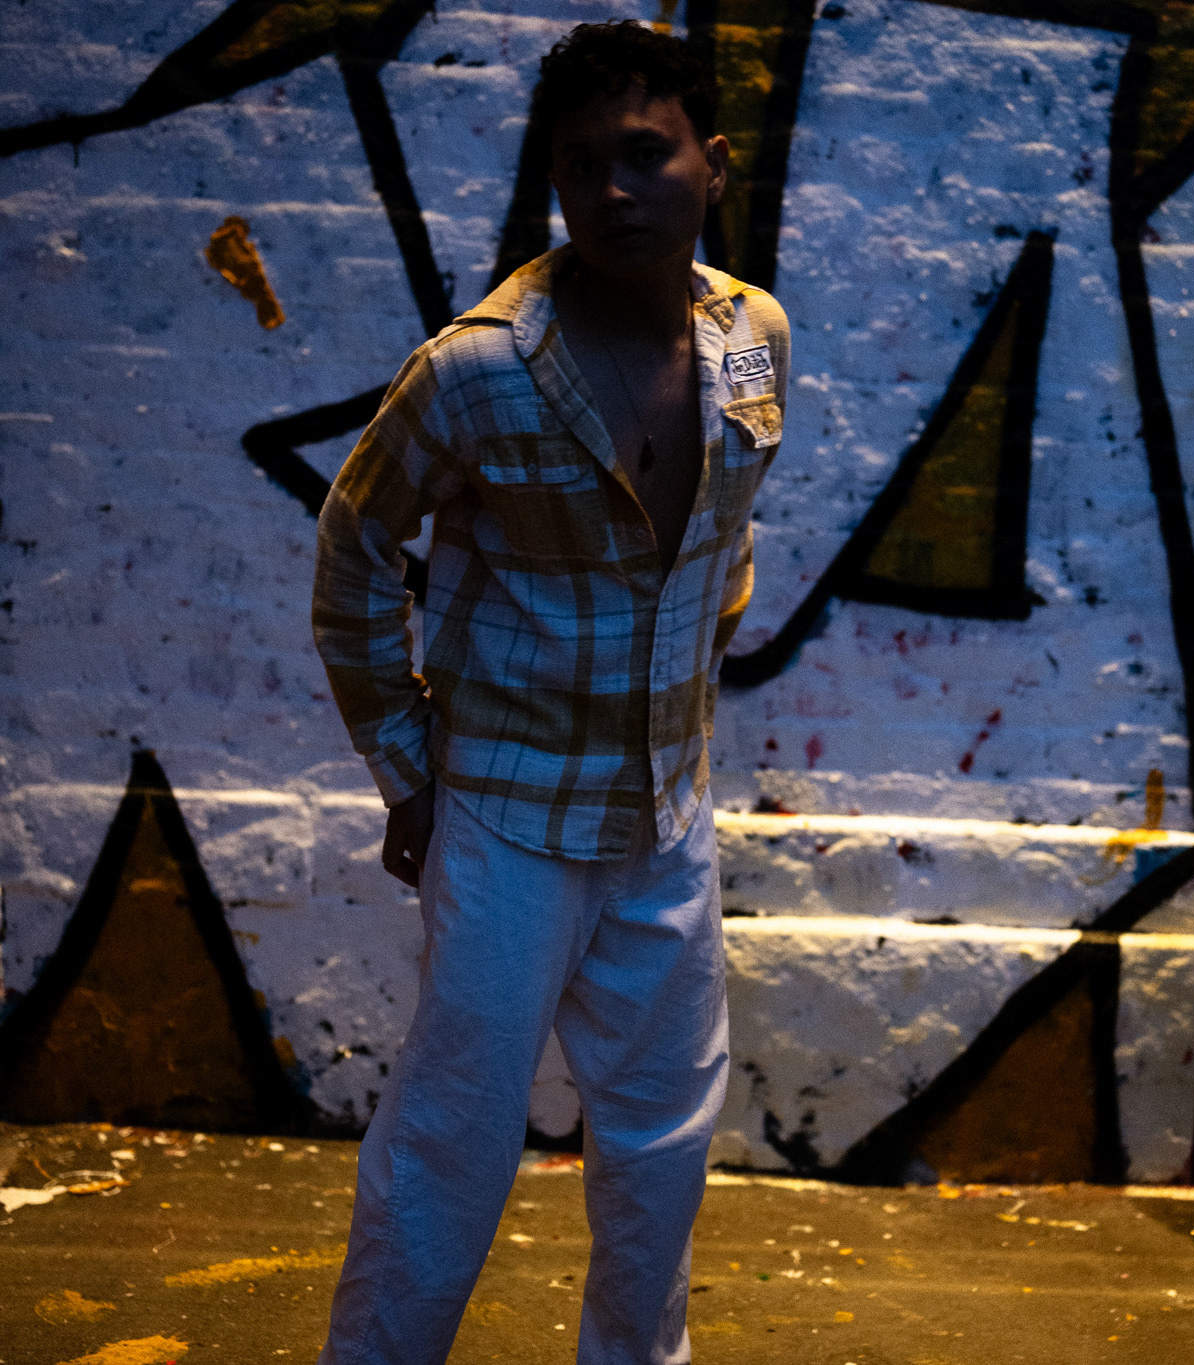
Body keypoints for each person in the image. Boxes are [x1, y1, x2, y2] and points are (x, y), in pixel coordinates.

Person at [311, 19, 789, 1365]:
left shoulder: (753, 336)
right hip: (508, 822)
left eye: (646, 153)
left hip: (666, 818)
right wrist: (409, 772)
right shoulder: (478, 369)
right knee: (451, 1145)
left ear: (712, 163)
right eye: (583, 165)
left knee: (662, 1147)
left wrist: (681, 713)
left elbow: (727, 539)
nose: (615, 189)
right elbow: (353, 550)